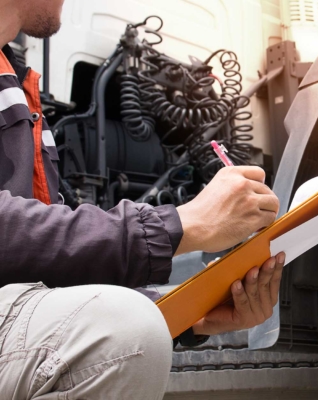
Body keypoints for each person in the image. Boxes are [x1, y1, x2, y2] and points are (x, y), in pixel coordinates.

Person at [0, 0, 285, 398]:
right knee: (123, 334)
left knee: (132, 322)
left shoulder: (13, 78)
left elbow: (46, 262)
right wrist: (183, 225)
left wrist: (187, 312)